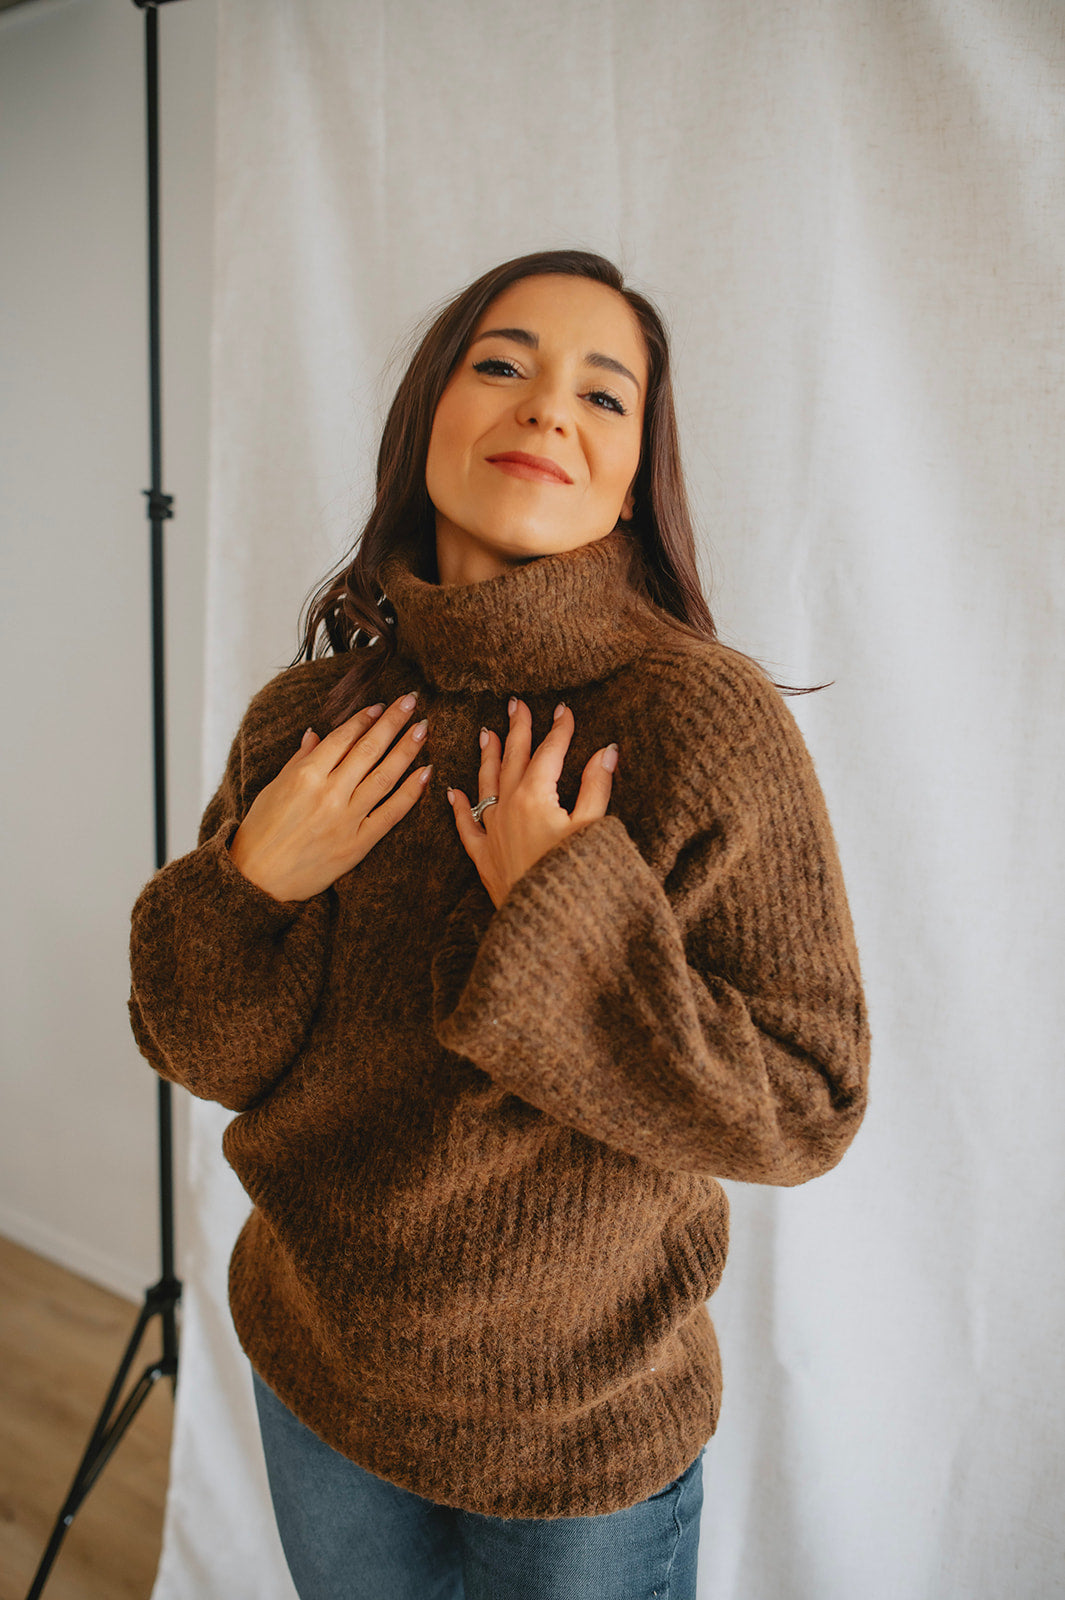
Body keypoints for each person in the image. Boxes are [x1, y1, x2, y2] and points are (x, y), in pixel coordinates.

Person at [128, 248, 871, 1600]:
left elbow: (808, 1104)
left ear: (635, 477)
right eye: (503, 365)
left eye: (603, 394)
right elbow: (208, 1054)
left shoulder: (701, 724)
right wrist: (250, 882)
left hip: (581, 1444)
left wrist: (569, 912)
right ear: (429, 416)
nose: (546, 409)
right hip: (316, 1378)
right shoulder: (309, 720)